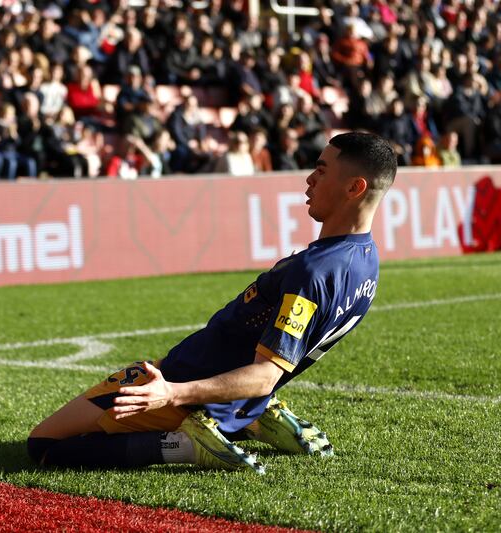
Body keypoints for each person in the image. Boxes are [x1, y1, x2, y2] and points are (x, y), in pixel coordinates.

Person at [28, 132, 397, 473]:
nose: (309, 179)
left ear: (354, 187)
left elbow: (265, 374)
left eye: (321, 169)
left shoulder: (315, 271)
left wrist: (170, 393)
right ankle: (255, 417)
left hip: (187, 383)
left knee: (44, 444)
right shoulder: (367, 262)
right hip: (232, 395)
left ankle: (185, 445)